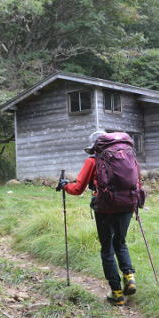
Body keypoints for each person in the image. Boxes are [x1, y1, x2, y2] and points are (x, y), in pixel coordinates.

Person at [57, 131, 138, 306]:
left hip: (105, 206)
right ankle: (129, 277)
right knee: (121, 242)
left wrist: (65, 186)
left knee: (107, 247)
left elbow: (78, 189)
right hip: (127, 204)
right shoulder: (127, 155)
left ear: (95, 146)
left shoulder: (92, 161)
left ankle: (116, 294)